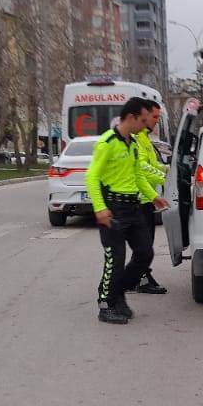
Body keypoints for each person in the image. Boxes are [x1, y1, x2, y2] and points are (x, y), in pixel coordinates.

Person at [85, 98, 169, 324]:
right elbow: (91, 176)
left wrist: (154, 196)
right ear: (131, 117)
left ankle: (118, 291)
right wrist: (100, 208)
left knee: (145, 253)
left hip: (133, 208)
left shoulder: (131, 143)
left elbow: (137, 176)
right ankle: (106, 305)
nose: (145, 125)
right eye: (143, 120)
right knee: (116, 258)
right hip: (113, 208)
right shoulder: (108, 142)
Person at [131, 99, 168, 295]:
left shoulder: (145, 139)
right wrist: (165, 177)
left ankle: (139, 277)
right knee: (143, 246)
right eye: (154, 117)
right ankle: (136, 279)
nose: (156, 121)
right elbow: (142, 168)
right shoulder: (137, 139)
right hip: (139, 199)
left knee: (145, 244)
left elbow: (151, 165)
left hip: (147, 199)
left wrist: (168, 169)